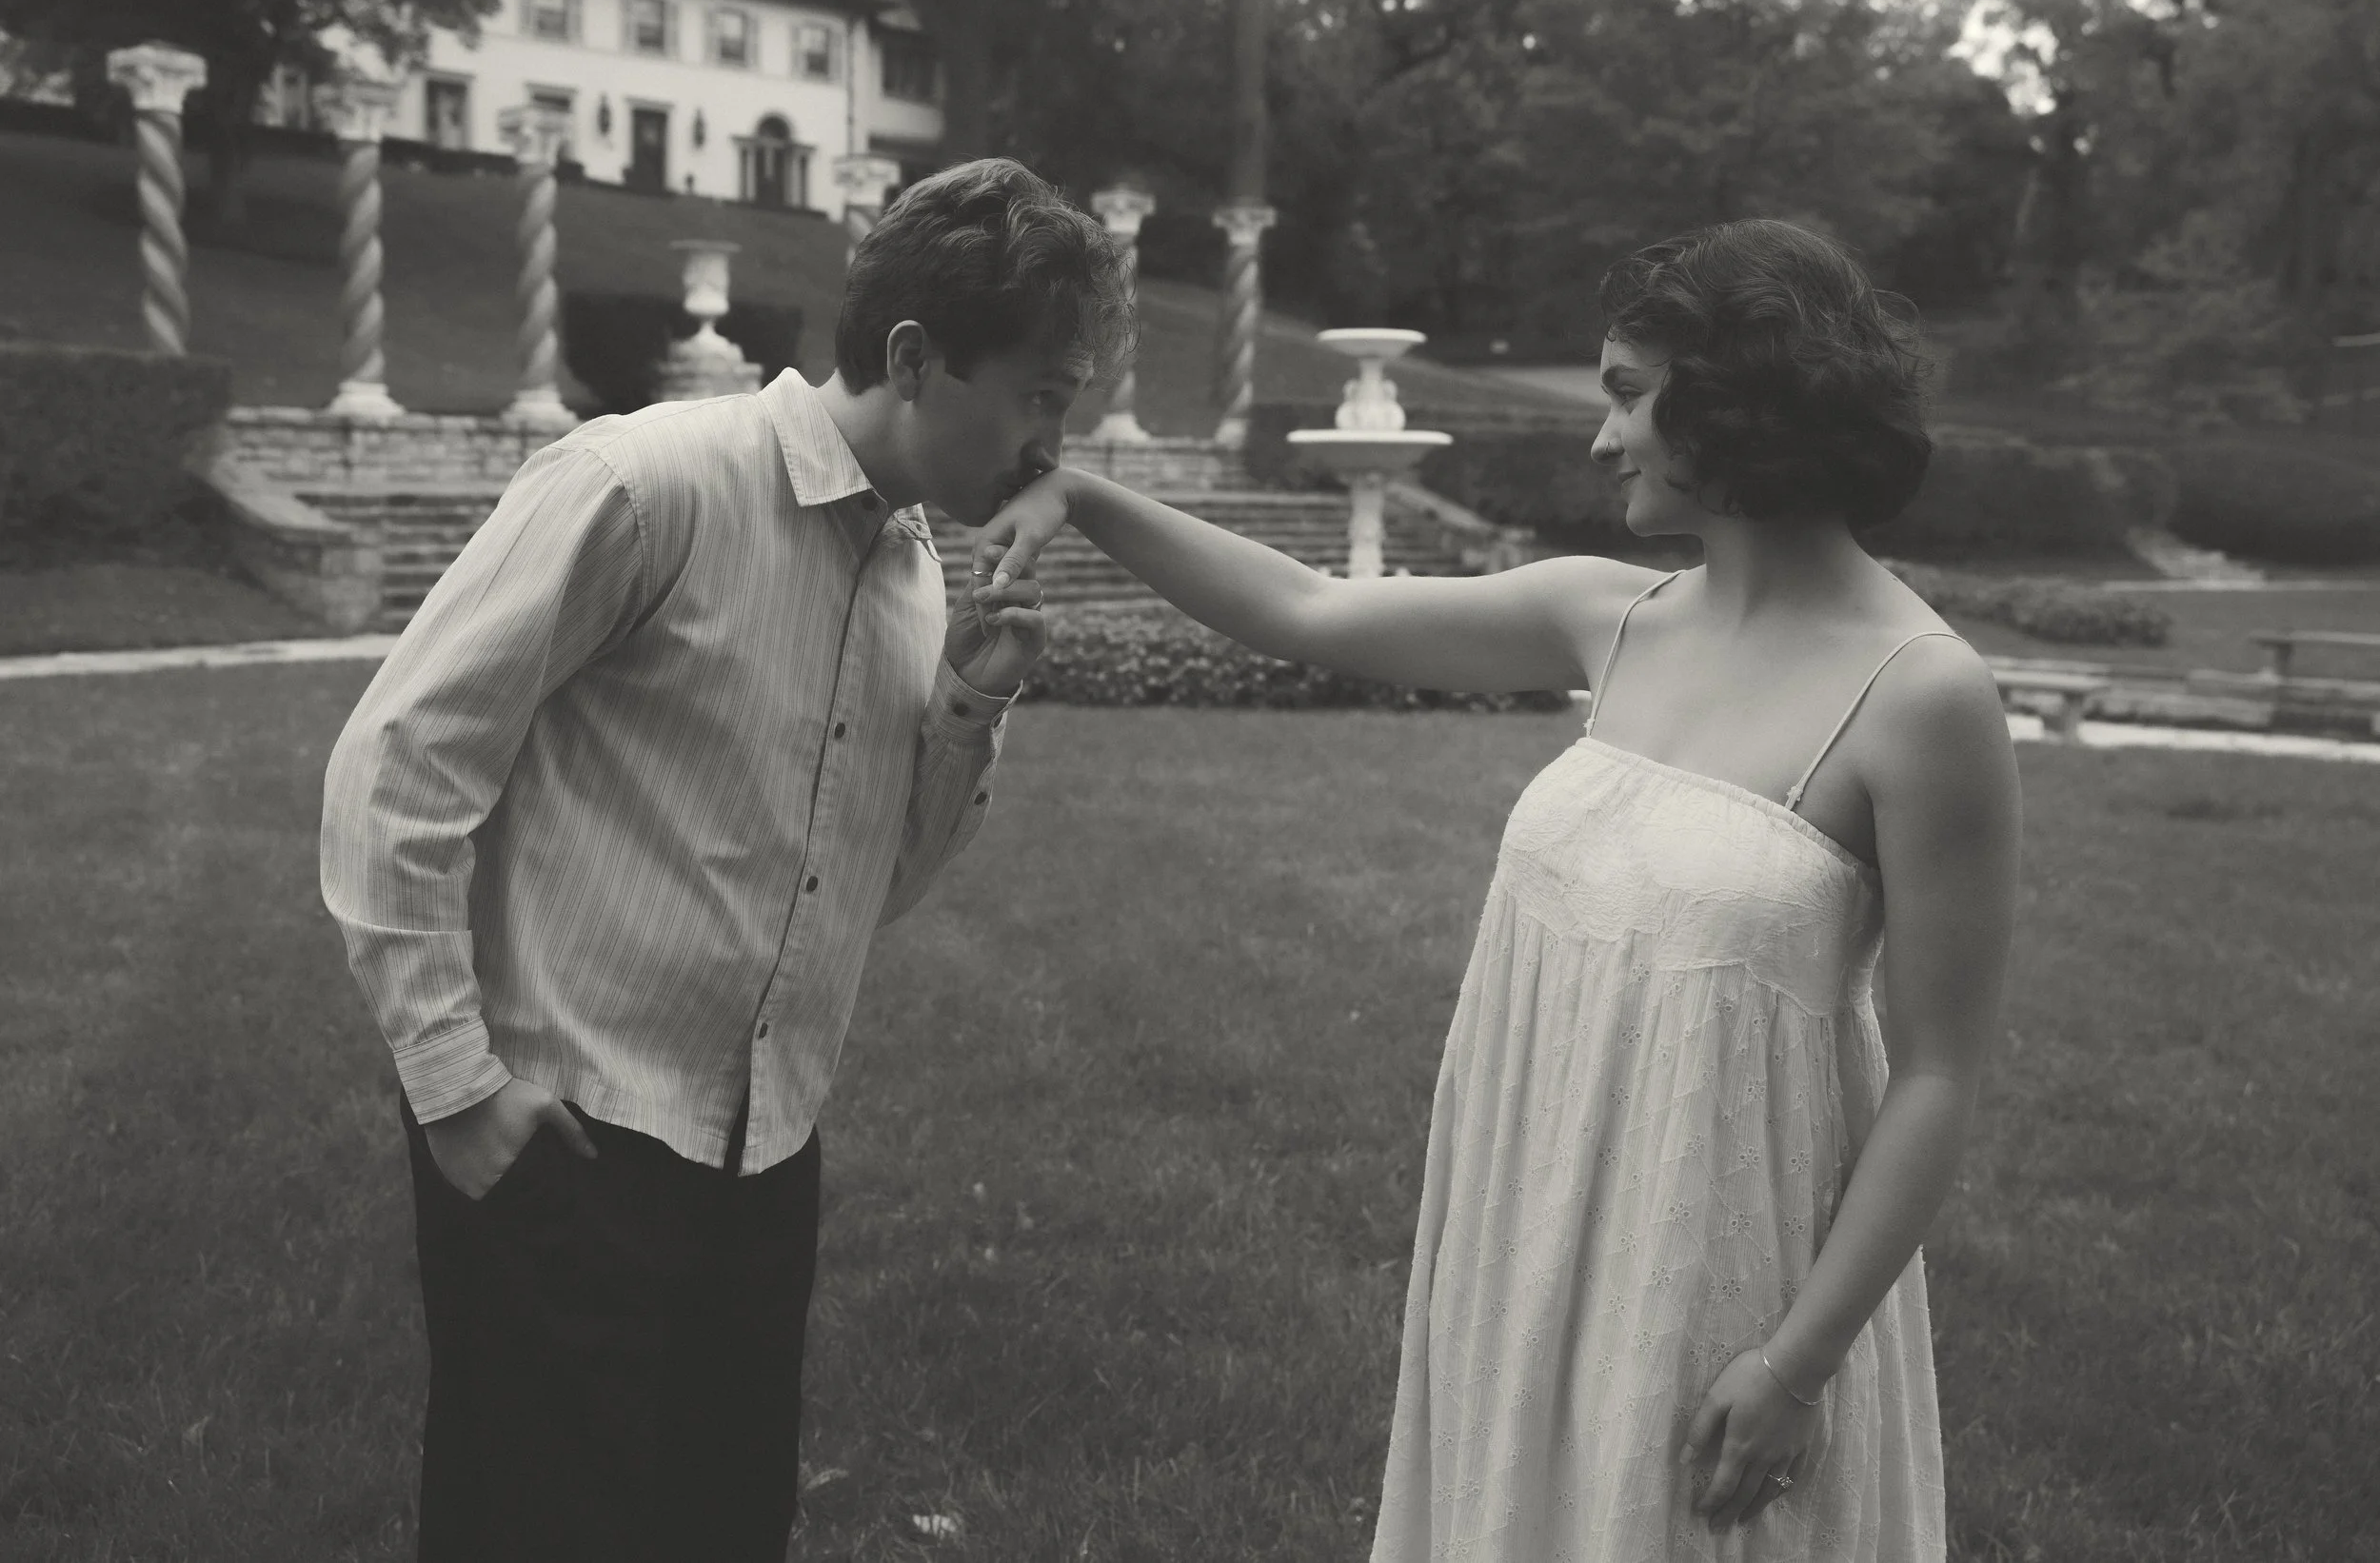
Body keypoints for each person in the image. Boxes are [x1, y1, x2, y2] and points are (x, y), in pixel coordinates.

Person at [974, 218, 2018, 1560]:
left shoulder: (1924, 696)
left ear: (1748, 394)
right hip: (1526, 1230)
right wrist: (1089, 500)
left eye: (1629, 396)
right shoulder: (1610, 615)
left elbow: (1939, 1075)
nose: (1603, 439)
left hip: (1733, 1282)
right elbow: (1308, 611)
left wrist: (1798, 1363)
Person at [319, 157, 1128, 1563]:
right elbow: (400, 763)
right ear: (915, 357)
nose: (1055, 447)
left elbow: (874, 887)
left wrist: (966, 713)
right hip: (562, 1134)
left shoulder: (916, 572)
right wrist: (453, 1083)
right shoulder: (646, 484)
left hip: (763, 1156)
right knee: (535, 1525)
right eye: (1045, 395)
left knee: (720, 1521)